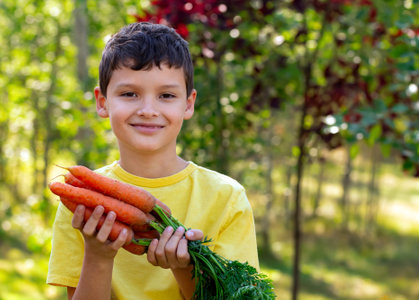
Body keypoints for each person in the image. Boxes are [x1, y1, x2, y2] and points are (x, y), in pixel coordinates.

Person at [46, 22, 259, 300]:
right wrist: (98, 257)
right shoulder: (83, 201)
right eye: (129, 94)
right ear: (102, 102)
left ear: (188, 103)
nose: (148, 110)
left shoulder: (226, 199)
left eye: (166, 95)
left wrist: (183, 268)